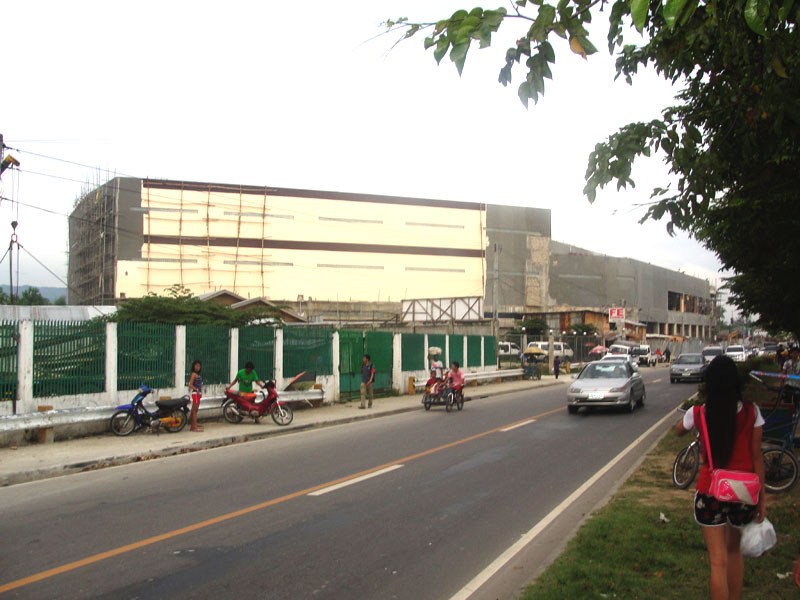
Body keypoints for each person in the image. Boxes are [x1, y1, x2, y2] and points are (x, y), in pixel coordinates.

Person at [675, 355, 766, 600]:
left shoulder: (700, 413)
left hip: (710, 492)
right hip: (744, 494)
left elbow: (678, 430)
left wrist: (689, 422)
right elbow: (757, 458)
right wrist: (762, 500)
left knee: (718, 562)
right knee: (734, 551)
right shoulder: (752, 412)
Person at [187, 360, 203, 432]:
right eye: (196, 366)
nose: (197, 367)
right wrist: (196, 390)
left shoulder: (198, 375)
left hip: (198, 394)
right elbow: (190, 384)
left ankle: (192, 424)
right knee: (194, 410)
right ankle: (194, 427)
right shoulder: (193, 374)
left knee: (195, 410)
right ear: (193, 366)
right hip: (195, 394)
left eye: (199, 366)